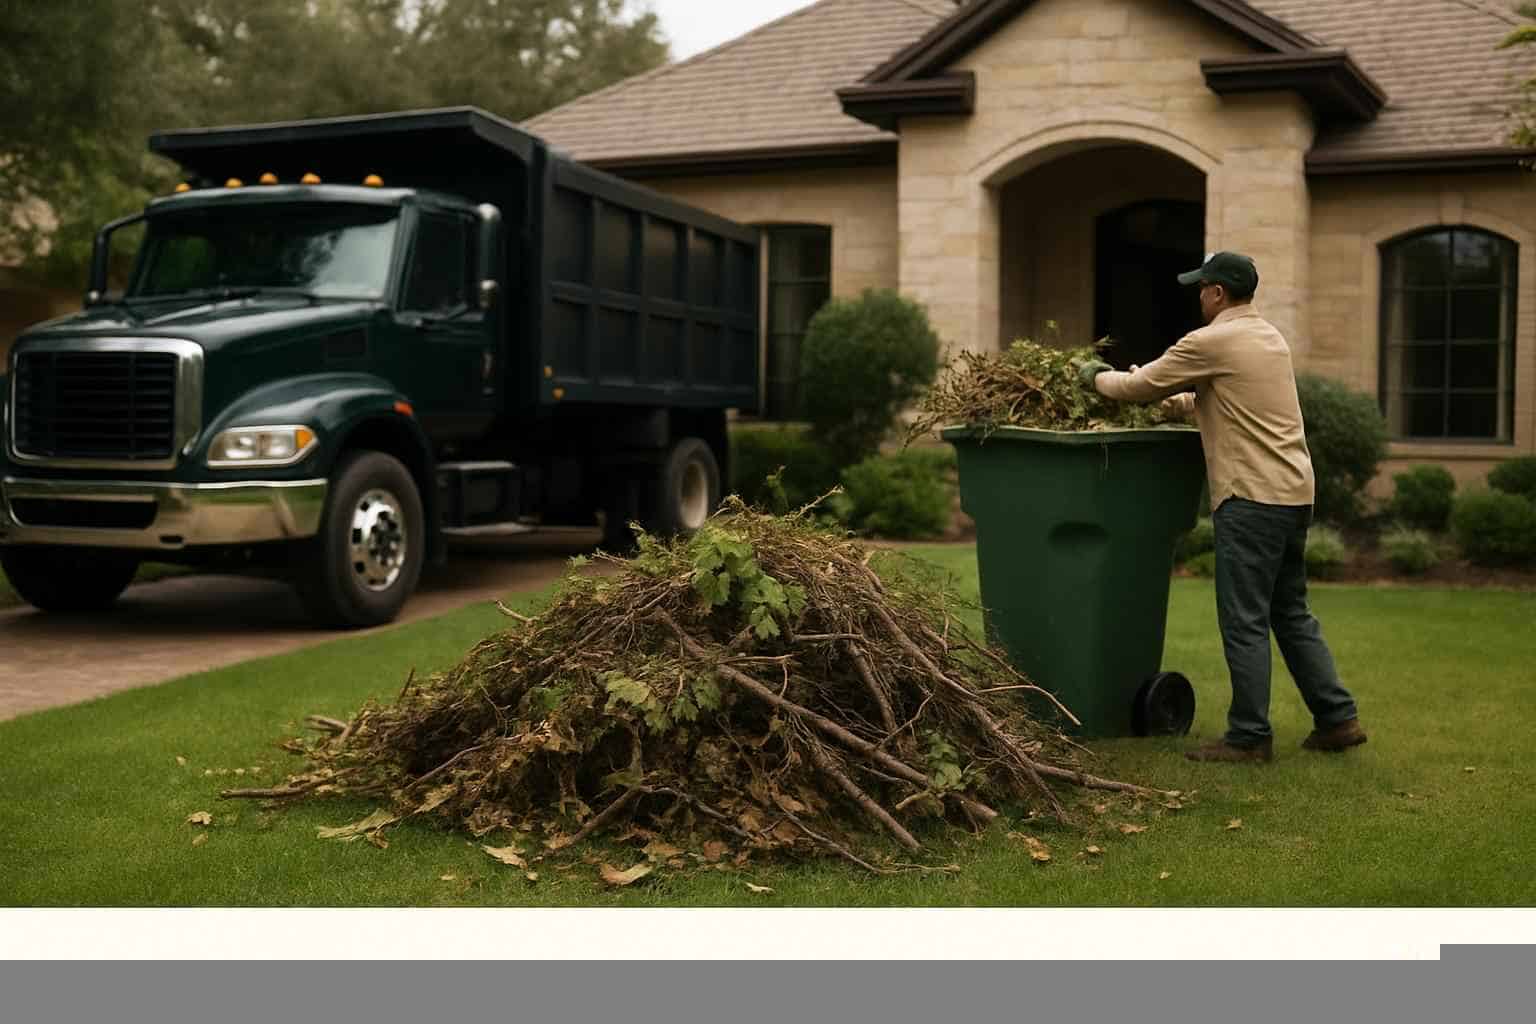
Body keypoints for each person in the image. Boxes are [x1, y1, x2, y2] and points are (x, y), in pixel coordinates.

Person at [1077, 251, 1366, 762]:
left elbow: (1137, 386)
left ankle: (1249, 736)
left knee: (1245, 618)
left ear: (1216, 293)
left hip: (1250, 499)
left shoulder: (1210, 340)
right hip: (1294, 493)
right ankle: (1337, 719)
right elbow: (1226, 399)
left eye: (1202, 286)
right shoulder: (1267, 337)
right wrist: (1177, 402)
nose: (1198, 294)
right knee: (1291, 612)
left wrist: (1095, 376)